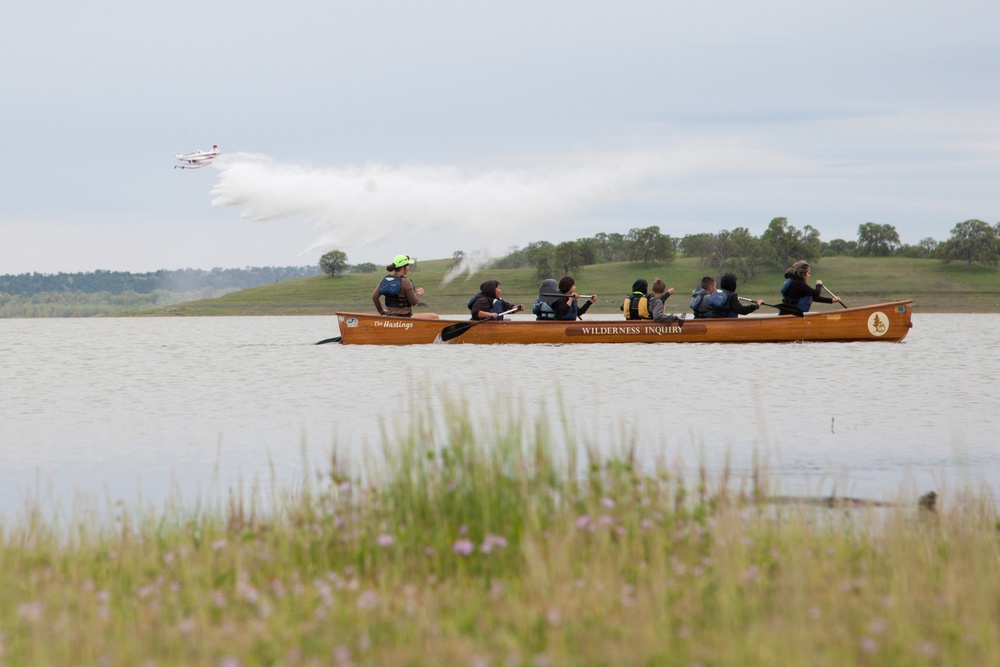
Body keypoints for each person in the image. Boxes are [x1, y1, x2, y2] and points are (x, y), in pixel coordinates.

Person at [371, 254, 439, 319]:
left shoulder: (385, 279)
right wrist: (419, 294)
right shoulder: (405, 281)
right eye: (408, 266)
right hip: (404, 317)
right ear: (404, 267)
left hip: (389, 315)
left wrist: (381, 312)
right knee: (435, 316)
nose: (408, 268)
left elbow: (374, 297)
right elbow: (414, 302)